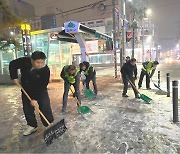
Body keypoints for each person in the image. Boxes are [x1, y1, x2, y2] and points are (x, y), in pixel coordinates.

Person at [9, 51, 54, 136]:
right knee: (27, 108)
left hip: (40, 90)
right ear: (32, 60)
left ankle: (48, 123)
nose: (40, 64)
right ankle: (32, 125)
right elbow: (12, 64)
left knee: (45, 106)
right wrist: (14, 77)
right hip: (26, 89)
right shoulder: (24, 61)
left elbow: (43, 84)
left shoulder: (45, 70)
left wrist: (35, 99)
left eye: (42, 62)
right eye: (37, 62)